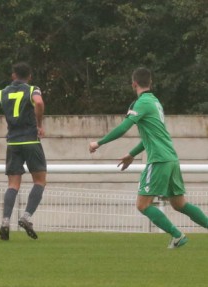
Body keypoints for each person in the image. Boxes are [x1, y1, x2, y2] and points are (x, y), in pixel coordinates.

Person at [89, 67, 208, 248]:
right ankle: (179, 236)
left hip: (159, 159)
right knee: (179, 204)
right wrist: (131, 155)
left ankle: (177, 236)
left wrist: (99, 143)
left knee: (143, 204)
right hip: (171, 158)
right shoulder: (155, 102)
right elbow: (152, 137)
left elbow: (123, 128)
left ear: (133, 84)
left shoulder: (142, 103)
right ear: (150, 83)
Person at [0, 62, 46, 241]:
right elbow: (39, 103)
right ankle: (26, 217)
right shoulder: (33, 89)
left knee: (12, 185)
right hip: (31, 140)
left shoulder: (2, 93)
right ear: (30, 76)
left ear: (13, 76)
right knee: (40, 181)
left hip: (13, 142)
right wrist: (39, 124)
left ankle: (5, 222)